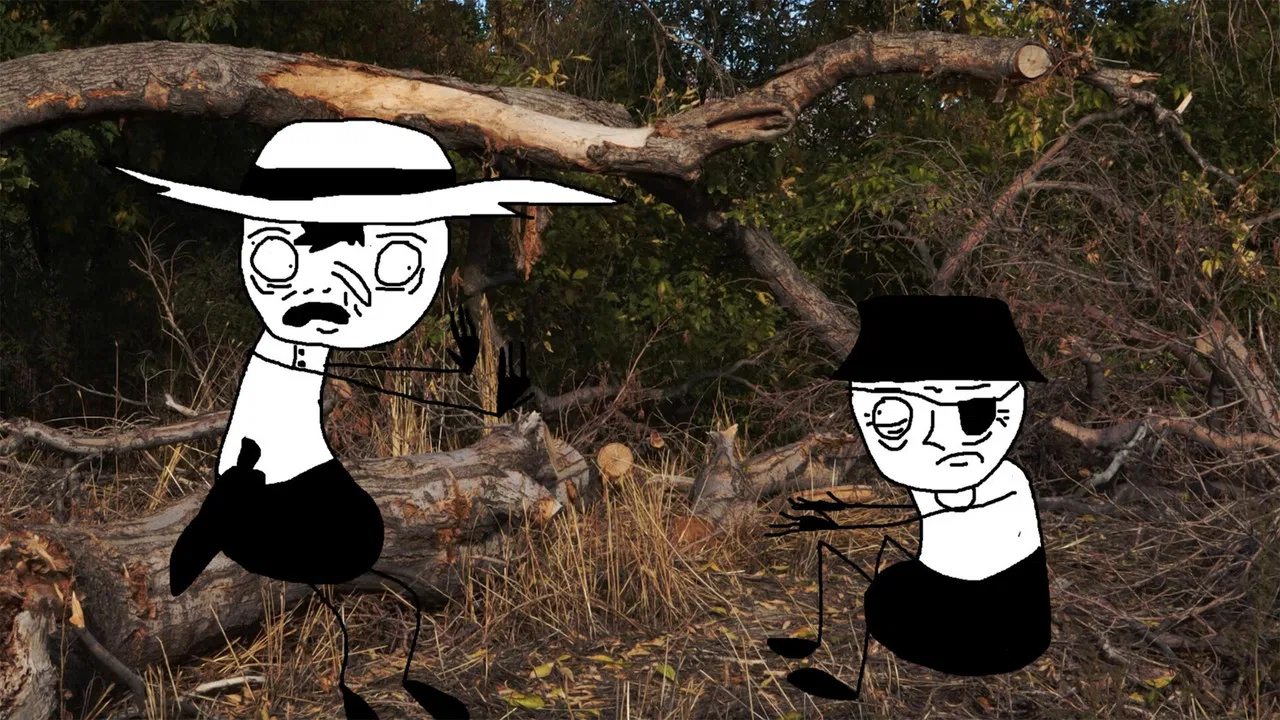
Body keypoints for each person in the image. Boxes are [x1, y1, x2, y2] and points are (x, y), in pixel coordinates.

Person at [116, 119, 615, 719]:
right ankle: (238, 519)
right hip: (268, 483)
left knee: (356, 539)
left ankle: (374, 673)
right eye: (278, 256)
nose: (327, 286)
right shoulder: (291, 347)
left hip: (278, 475)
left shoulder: (295, 344)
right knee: (352, 538)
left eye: (396, 263)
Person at [766, 294, 1052, 700]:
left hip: (999, 622)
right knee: (855, 559)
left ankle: (841, 671)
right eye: (895, 420)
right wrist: (834, 510)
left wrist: (834, 513)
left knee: (882, 588)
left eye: (975, 411)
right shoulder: (945, 472)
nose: (938, 440)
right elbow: (926, 513)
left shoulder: (1003, 480)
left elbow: (945, 510)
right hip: (956, 591)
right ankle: (821, 649)